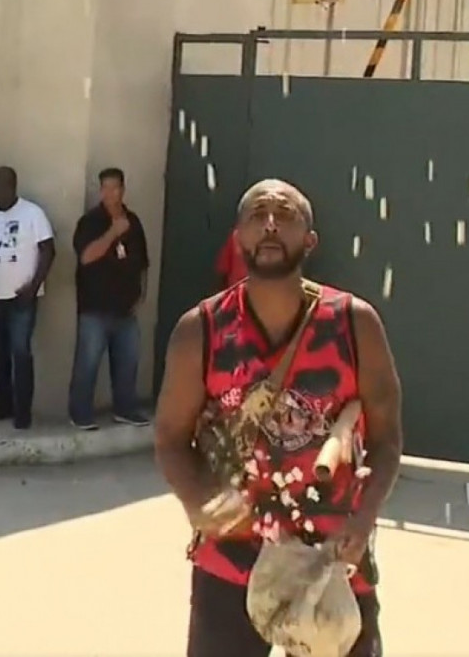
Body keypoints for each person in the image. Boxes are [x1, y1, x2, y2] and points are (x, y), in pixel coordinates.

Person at [153, 179, 403, 657]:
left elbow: (388, 438)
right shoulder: (200, 331)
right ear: (238, 238)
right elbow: (169, 437)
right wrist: (201, 499)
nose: (270, 224)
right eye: (256, 215)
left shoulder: (354, 323)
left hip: (333, 557)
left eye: (285, 215)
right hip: (232, 558)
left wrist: (366, 516)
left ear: (310, 240)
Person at [0, 166, 56, 429]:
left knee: (20, 352)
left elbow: (48, 250)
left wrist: (33, 287)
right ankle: (3, 404)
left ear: (12, 185)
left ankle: (23, 411)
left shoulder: (33, 213)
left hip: (21, 297)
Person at [68, 167, 151, 430]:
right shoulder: (91, 222)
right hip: (95, 307)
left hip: (126, 309)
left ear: (122, 190)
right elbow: (86, 257)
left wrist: (142, 294)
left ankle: (125, 409)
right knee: (88, 363)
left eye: (114, 188)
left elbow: (143, 263)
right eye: (104, 188)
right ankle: (80, 413)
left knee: (128, 362)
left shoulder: (134, 222)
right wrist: (113, 232)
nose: (109, 193)